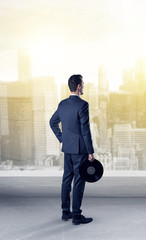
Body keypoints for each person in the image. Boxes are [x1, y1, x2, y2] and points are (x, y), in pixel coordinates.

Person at [49, 74, 95, 225]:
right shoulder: (83, 105)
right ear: (79, 86)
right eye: (83, 84)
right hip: (80, 149)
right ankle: (76, 215)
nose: (84, 86)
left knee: (66, 179)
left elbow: (52, 122)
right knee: (79, 181)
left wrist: (62, 138)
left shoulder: (62, 104)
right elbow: (85, 130)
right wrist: (90, 151)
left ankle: (65, 213)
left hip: (67, 148)